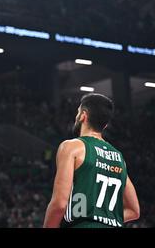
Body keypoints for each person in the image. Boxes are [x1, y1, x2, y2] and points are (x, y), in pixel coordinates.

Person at [43, 93, 140, 228]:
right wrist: (104, 219)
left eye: (78, 113)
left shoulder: (71, 147)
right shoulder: (119, 158)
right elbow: (134, 211)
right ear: (105, 125)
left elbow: (59, 204)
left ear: (83, 115)